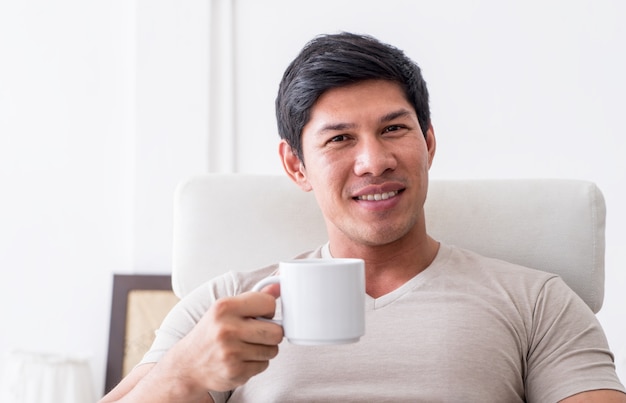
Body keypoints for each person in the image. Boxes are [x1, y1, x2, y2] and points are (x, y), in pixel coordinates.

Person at [101, 32, 626, 402]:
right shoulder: (222, 307)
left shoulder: (537, 303)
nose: (374, 161)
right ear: (295, 165)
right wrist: (182, 376)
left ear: (429, 143)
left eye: (395, 129)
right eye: (339, 139)